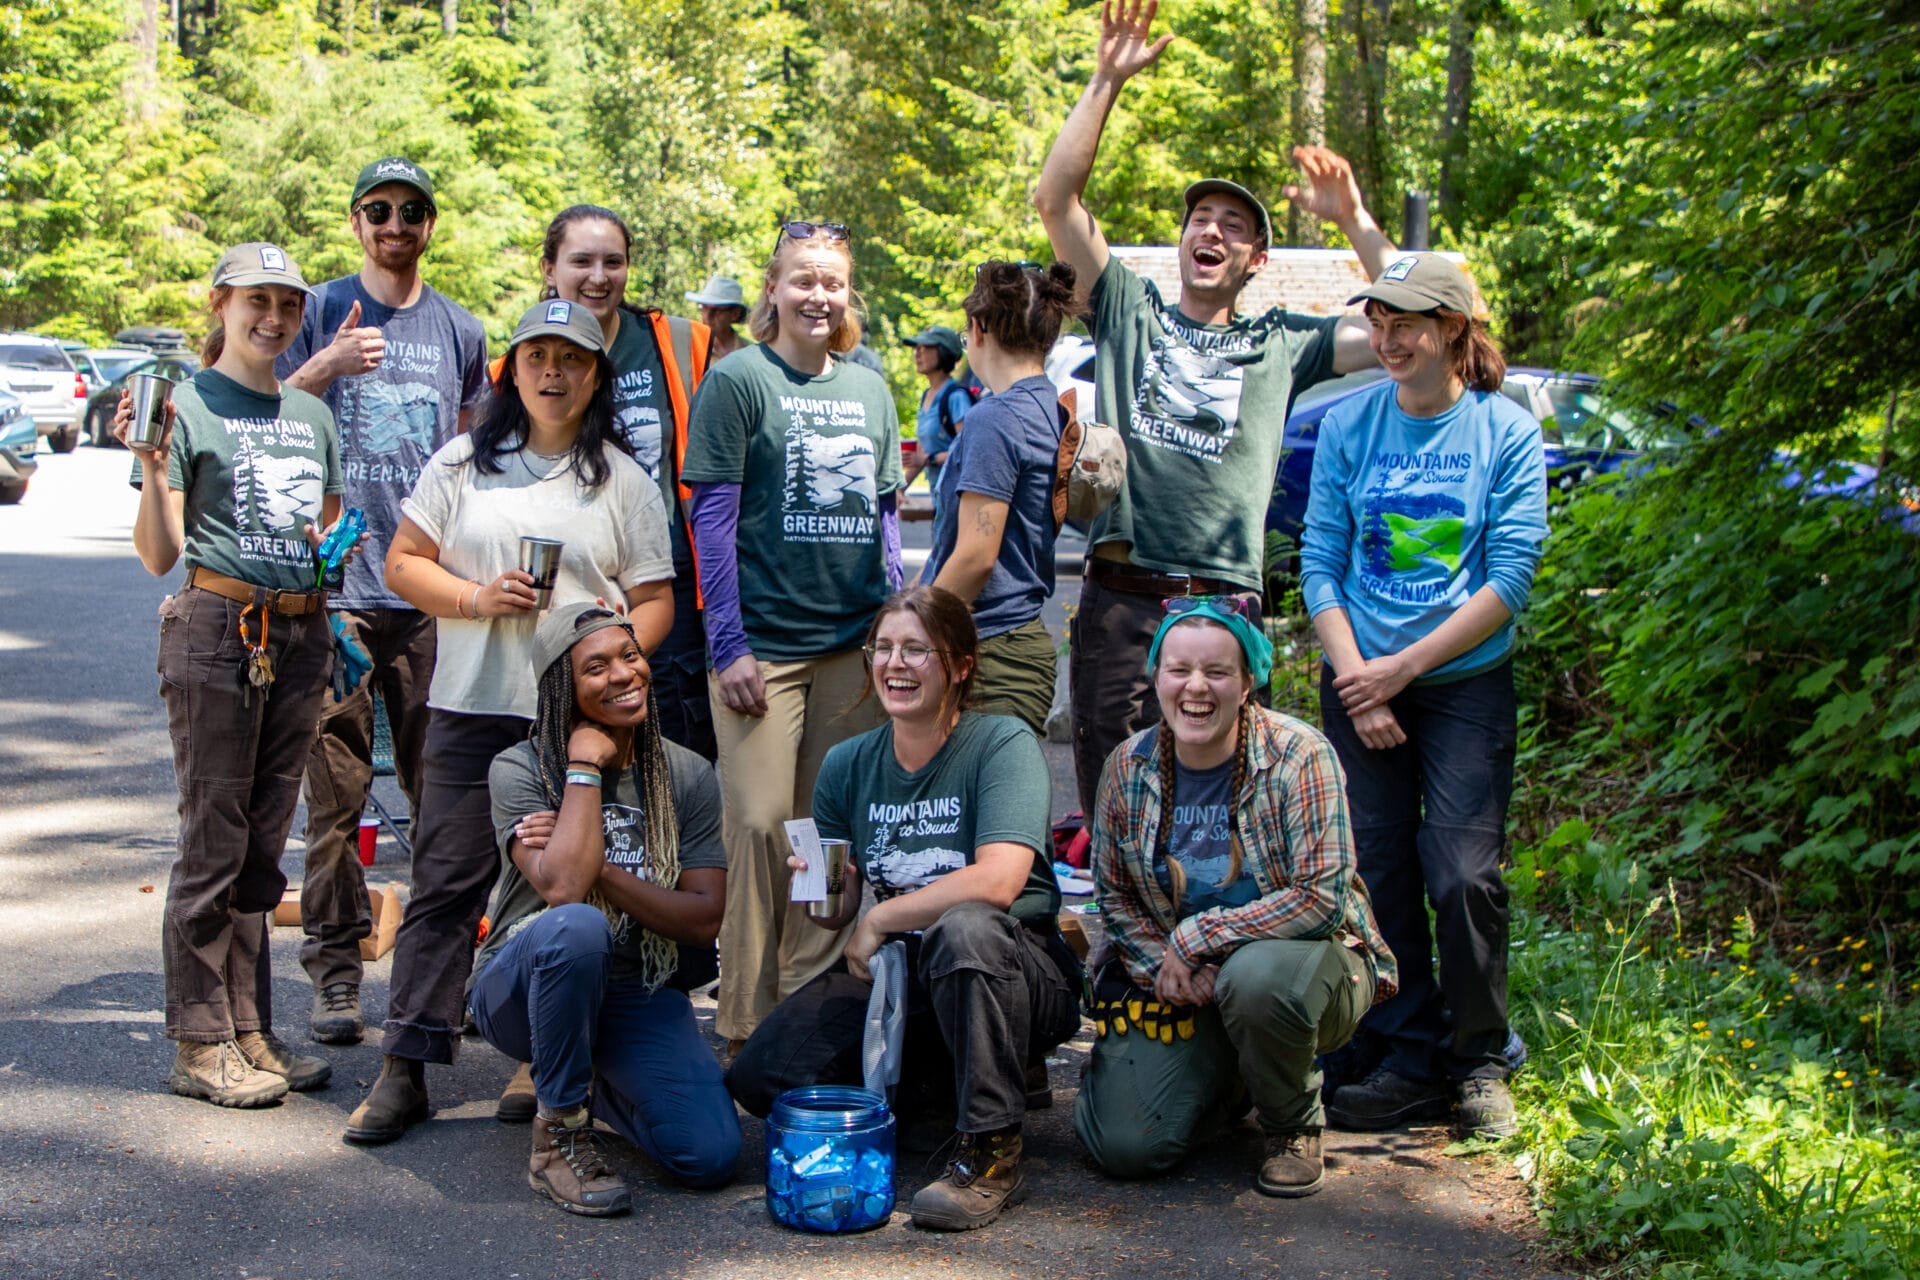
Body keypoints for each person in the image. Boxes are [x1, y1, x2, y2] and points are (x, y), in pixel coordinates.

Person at [1034, 0, 1398, 819]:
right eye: (1201, 218)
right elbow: (1056, 200)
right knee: (1114, 800)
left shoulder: (1284, 342)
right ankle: (1118, 909)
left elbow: (1408, 321)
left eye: (1234, 226)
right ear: (1182, 240)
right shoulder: (1127, 308)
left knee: (1221, 804)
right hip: (1125, 590)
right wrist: (1106, 80)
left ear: (1256, 259)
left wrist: (1352, 219)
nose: (1213, 230)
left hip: (1226, 599)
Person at [342, 299, 675, 1145]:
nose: (553, 373)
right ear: (512, 370)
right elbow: (402, 564)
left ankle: (539, 1057)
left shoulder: (622, 480)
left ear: (596, 375)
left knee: (565, 886)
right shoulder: (462, 462)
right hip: (469, 704)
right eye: (537, 357)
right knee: (445, 884)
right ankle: (406, 1064)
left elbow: (656, 600)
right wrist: (475, 599)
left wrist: (611, 654)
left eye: (572, 359)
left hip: (574, 720)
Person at [727, 587, 1080, 1231]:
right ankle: (942, 1092)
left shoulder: (1001, 742)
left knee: (965, 928)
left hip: (1015, 967)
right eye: (883, 648)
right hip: (902, 976)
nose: (895, 664)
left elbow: (1000, 881)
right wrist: (827, 889)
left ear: (961, 665)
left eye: (917, 650)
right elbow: (836, 915)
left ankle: (992, 1151)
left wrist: (880, 918)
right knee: (764, 1075)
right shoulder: (848, 763)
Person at [1299, 252, 1547, 1140]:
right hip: (1358, 678)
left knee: (1463, 872)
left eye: (1405, 323)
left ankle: (1478, 1059)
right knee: (1378, 869)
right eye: (1378, 322)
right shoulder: (1350, 424)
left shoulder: (1503, 430)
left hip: (1463, 684)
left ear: (1452, 329)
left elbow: (1509, 578)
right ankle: (1406, 1057)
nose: (1388, 339)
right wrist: (1359, 680)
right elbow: (1319, 562)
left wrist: (1400, 672)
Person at [1072, 598, 1397, 1195]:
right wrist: (1160, 965)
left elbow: (1321, 898)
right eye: (1179, 670)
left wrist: (1199, 936)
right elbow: (1115, 896)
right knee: (1125, 1146)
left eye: (1217, 672)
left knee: (1255, 980)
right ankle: (1235, 1075)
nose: (1196, 687)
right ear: (1157, 677)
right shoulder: (1126, 766)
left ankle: (1292, 1125)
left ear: (1248, 683)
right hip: (1186, 982)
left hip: (1306, 971)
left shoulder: (1301, 756)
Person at [121, 242, 344, 1107]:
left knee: (262, 844)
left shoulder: (310, 413)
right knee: (213, 840)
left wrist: (331, 572)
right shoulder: (187, 406)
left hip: (300, 633)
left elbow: (325, 532)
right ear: (220, 304)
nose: (274, 319)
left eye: (288, 305)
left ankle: (248, 1027)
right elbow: (159, 555)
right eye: (257, 301)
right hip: (218, 630)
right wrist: (151, 467)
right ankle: (199, 1040)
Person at [278, 156, 489, 1046]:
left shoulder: (460, 330)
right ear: (356, 221)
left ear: (429, 225)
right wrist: (327, 361)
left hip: (427, 596)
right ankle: (335, 971)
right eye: (378, 209)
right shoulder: (317, 310)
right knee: (336, 800)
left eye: (410, 210)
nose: (394, 224)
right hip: (334, 595)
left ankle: (445, 977)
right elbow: (261, 413)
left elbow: (479, 454)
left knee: (445, 800)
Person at [681, 219, 903, 1052]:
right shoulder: (739, 380)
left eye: (832, 282)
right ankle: (746, 1020)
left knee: (826, 835)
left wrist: (892, 629)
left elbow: (886, 521)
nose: (818, 295)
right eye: (802, 279)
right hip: (763, 652)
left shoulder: (871, 389)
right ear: (772, 288)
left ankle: (807, 1012)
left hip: (851, 650)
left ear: (848, 294)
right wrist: (728, 646)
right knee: (760, 825)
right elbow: (712, 522)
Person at [471, 603, 739, 1216]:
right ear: (561, 688)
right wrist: (584, 767)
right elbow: (565, 889)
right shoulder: (520, 768)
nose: (623, 674)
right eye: (596, 667)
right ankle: (558, 1136)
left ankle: (596, 1080)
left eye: (630, 656)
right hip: (524, 988)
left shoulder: (685, 773)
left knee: (710, 1155)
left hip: (635, 987)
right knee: (578, 926)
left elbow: (703, 917)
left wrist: (605, 869)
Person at [540, 205, 715, 762]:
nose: (598, 276)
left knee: (676, 749)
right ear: (550, 269)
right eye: (581, 261)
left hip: (667, 579)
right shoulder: (524, 357)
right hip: (571, 579)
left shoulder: (680, 344)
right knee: (582, 743)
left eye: (612, 262)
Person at [920, 262, 1078, 736]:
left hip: (988, 650)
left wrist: (915, 633)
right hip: (1015, 641)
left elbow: (976, 556)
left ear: (978, 328)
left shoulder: (995, 416)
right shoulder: (1050, 405)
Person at [901, 324, 972, 509]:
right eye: (916, 348)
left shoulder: (956, 397)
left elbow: (967, 450)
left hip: (958, 499)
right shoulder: (927, 396)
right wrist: (898, 489)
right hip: (939, 499)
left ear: (943, 352)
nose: (917, 353)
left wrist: (928, 459)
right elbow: (921, 453)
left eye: (925, 347)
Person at [685, 274, 750, 362]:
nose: (707, 316)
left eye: (716, 310)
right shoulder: (689, 349)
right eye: (704, 308)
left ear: (735, 314)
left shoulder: (750, 353)